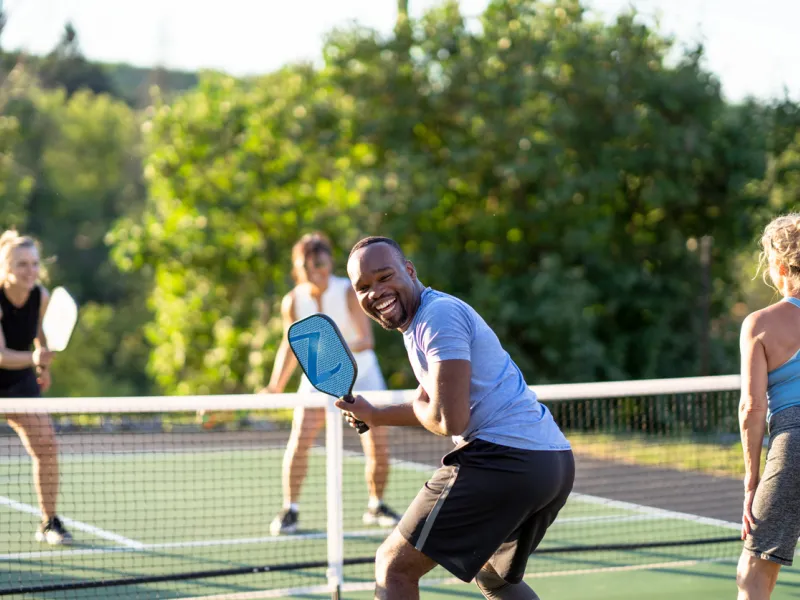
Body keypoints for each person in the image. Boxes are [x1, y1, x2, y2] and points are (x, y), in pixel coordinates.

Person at [338, 236, 574, 600]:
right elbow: (432, 402)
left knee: (393, 566)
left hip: (505, 458)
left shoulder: (437, 317)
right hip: (550, 462)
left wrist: (419, 408)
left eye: (385, 277)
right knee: (493, 577)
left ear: (410, 271)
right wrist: (374, 414)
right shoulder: (420, 321)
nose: (376, 292)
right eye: (363, 287)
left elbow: (450, 420)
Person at [265, 232, 401, 536]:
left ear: (328, 262)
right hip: (316, 380)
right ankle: (291, 509)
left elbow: (366, 340)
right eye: (311, 265)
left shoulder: (348, 291)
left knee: (377, 442)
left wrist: (332, 357)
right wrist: (275, 385)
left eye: (322, 262)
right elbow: (290, 346)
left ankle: (376, 504)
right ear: (300, 268)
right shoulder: (292, 301)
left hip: (362, 375)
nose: (318, 270)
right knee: (300, 439)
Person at [737, 213, 800, 600]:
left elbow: (752, 407)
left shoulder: (760, 323)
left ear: (779, 267)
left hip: (793, 444)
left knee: (754, 574)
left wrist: (751, 480)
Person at [0, 230, 72, 545]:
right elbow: (1, 355)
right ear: (5, 269)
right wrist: (34, 357)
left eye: (34, 264)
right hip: (9, 365)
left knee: (46, 446)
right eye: (21, 264)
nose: (30, 271)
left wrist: (43, 364)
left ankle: (49, 522)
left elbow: (40, 333)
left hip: (20, 382)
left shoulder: (41, 295)